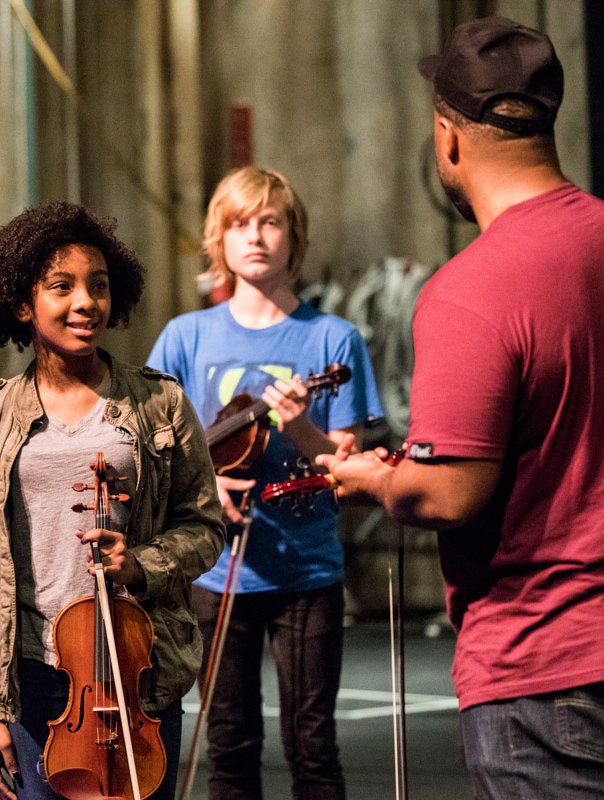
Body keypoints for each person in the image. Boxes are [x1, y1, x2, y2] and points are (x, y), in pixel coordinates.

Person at [318, 17, 604, 800]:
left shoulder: (470, 287)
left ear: (447, 138)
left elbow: (448, 489)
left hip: (552, 666)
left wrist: (374, 479)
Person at [0, 201, 225, 800]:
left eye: (98, 286)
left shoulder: (161, 404)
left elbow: (205, 528)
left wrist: (141, 564)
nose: (86, 302)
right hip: (31, 673)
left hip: (136, 667)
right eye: (62, 287)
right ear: (23, 304)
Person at [147, 166, 382, 800]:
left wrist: (303, 428)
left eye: (271, 222)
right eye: (239, 224)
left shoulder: (333, 338)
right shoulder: (184, 337)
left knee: (314, 748)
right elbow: (151, 452)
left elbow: (348, 468)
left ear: (294, 238)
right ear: (217, 240)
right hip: (214, 574)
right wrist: (204, 494)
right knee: (229, 746)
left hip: (307, 571)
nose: (255, 237)